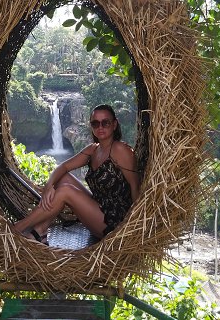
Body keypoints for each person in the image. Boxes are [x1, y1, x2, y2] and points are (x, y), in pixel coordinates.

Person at [12, 104, 140, 245]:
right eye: (95, 123)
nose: (100, 127)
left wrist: (133, 226)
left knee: (65, 191)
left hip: (114, 222)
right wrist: (49, 186)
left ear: (114, 124)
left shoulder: (120, 150)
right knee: (63, 177)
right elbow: (63, 166)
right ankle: (40, 231)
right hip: (99, 209)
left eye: (106, 123)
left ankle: (17, 228)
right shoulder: (93, 150)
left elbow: (135, 186)